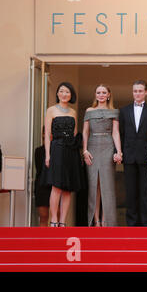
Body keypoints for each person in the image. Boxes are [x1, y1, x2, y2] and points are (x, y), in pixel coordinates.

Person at [42, 82, 84, 227]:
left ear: (71, 94)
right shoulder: (51, 110)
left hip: (71, 151)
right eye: (61, 91)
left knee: (68, 188)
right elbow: (47, 135)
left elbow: (75, 133)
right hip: (57, 149)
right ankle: (53, 220)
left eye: (67, 92)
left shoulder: (73, 112)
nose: (64, 94)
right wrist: (48, 155)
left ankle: (62, 222)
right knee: (57, 186)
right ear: (58, 94)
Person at [119, 80, 147, 226]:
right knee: (130, 192)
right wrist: (121, 153)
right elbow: (121, 134)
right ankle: (132, 224)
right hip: (129, 157)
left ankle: (146, 223)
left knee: (145, 192)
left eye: (140, 91)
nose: (137, 93)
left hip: (146, 156)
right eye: (135, 91)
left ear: (146, 92)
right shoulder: (124, 111)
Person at [82, 84, 122, 227]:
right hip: (92, 147)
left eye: (104, 92)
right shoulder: (89, 110)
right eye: (98, 92)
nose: (101, 95)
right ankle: (96, 220)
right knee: (94, 184)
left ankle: (107, 221)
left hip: (108, 146)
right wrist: (85, 150)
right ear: (95, 95)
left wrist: (119, 151)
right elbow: (85, 132)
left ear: (109, 94)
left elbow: (115, 132)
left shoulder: (114, 111)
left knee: (107, 184)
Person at [34, 126, 51, 226]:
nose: (50, 135)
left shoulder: (58, 151)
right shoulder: (39, 151)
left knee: (57, 216)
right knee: (43, 216)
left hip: (55, 185)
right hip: (42, 186)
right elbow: (40, 169)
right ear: (43, 134)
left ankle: (57, 240)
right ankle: (43, 241)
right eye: (47, 132)